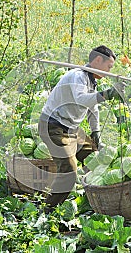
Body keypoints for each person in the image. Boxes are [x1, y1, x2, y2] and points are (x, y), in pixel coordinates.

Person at [38, 45, 125, 208]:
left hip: (71, 128)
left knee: (94, 157)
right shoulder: (77, 76)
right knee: (69, 172)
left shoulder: (91, 81)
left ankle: (95, 200)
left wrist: (96, 132)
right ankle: (48, 209)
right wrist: (107, 94)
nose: (109, 71)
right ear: (98, 60)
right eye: (109, 67)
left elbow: (93, 109)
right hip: (53, 126)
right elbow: (82, 100)